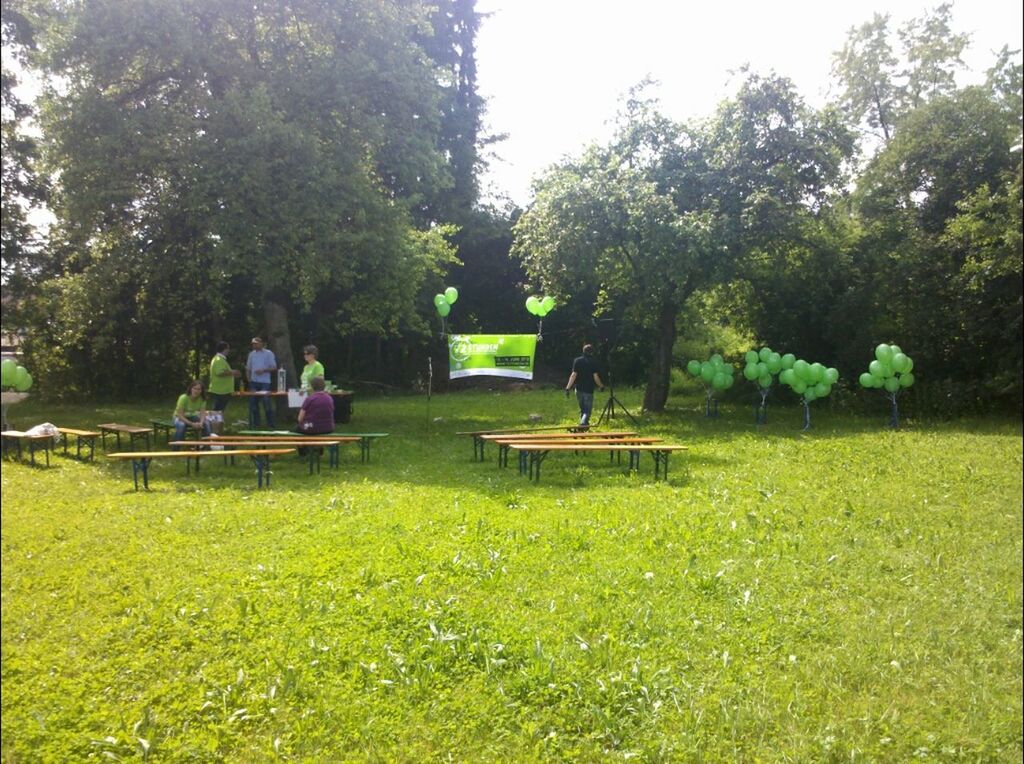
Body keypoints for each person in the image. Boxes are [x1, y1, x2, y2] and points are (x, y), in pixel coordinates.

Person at [564, 343, 604, 427]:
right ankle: (583, 424)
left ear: (583, 351)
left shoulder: (577, 361)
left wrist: (567, 388)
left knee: (582, 409)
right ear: (592, 352)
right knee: (587, 411)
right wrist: (601, 386)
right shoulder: (593, 362)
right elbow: (595, 377)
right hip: (588, 390)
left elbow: (573, 375)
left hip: (578, 389)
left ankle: (584, 426)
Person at [245, 336, 277, 428]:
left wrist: (263, 370)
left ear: (261, 343)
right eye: (253, 344)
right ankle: (256, 424)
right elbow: (248, 368)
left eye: (256, 343)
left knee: (266, 402)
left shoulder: (268, 353)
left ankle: (270, 424)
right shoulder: (251, 354)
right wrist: (249, 379)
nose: (254, 345)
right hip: (254, 382)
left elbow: (274, 367)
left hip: (265, 382)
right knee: (253, 404)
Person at [172, 380, 211, 446]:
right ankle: (176, 448)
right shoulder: (183, 398)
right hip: (179, 417)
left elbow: (202, 413)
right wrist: (192, 424)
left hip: (192, 416)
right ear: (191, 389)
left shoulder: (202, 399)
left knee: (206, 423)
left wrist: (201, 423)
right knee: (181, 425)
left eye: (199, 389)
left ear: (201, 391)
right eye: (194, 388)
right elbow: (180, 415)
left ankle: (206, 446)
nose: (196, 391)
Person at [208, 341, 241, 413]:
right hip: (220, 390)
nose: (229, 350)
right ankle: (213, 423)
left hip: (223, 389)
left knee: (220, 409)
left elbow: (223, 371)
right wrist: (233, 372)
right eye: (228, 348)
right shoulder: (218, 359)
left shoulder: (220, 359)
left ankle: (217, 423)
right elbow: (220, 372)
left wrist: (232, 372)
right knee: (218, 410)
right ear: (225, 349)